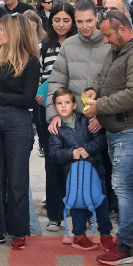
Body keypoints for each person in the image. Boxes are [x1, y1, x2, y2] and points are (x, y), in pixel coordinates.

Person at [84, 10, 133, 265]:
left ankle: (125, 245)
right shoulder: (119, 49)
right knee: (131, 185)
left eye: (107, 35)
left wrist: (100, 106)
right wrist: (93, 90)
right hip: (121, 129)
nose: (104, 40)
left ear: (123, 30)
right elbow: (102, 76)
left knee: (123, 187)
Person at [0, 14, 41, 249]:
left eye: (1, 30)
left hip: (18, 122)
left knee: (17, 177)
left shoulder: (31, 62)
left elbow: (28, 99)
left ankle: (19, 231)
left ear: (14, 32)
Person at [46, 0, 113, 222]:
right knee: (71, 172)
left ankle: (102, 216)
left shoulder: (109, 42)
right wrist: (54, 113)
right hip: (74, 121)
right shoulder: (69, 45)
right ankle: (74, 218)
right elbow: (56, 82)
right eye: (80, 21)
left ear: (97, 18)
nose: (85, 26)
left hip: (102, 119)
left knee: (102, 172)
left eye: (89, 21)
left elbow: (116, 84)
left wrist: (103, 116)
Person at [49, 88, 112, 250]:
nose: (63, 106)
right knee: (78, 205)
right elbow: (54, 154)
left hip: (95, 171)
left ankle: (106, 234)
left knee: (101, 202)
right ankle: (79, 235)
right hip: (74, 175)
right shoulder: (56, 130)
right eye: (59, 103)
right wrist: (71, 153)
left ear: (74, 105)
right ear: (55, 108)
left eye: (67, 103)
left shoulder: (86, 120)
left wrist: (89, 149)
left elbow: (101, 139)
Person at [38, 2, 77, 230]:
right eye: (57, 20)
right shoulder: (43, 46)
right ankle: (55, 213)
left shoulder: (78, 45)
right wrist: (39, 94)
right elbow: (37, 74)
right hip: (47, 109)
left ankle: (80, 208)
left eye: (66, 20)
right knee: (53, 162)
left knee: (76, 161)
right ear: (50, 21)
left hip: (74, 112)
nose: (61, 25)